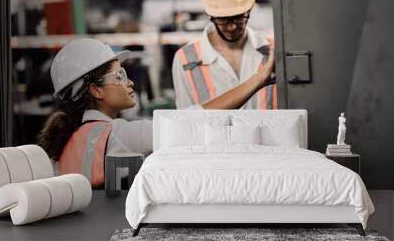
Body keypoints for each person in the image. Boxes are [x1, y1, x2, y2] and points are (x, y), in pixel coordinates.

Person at [38, 38, 274, 187]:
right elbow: (195, 118)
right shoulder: (120, 136)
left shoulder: (61, 143)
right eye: (119, 75)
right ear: (96, 90)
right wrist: (257, 80)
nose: (129, 82)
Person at [172, 0, 277, 110]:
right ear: (210, 12)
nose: (232, 26)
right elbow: (185, 125)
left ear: (251, 6)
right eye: (224, 19)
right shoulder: (186, 60)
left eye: (239, 17)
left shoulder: (272, 51)